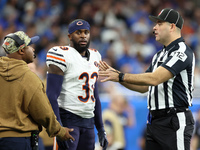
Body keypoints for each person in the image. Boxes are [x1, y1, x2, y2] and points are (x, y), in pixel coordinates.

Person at [99, 8, 195, 150]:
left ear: (172, 26)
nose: (154, 27)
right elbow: (144, 87)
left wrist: (121, 75)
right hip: (154, 121)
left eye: (159, 23)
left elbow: (154, 78)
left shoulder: (182, 51)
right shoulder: (159, 55)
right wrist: (118, 78)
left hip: (174, 120)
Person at [0, 31, 75, 150]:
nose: (33, 50)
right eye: (30, 46)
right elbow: (43, 113)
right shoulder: (29, 78)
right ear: (21, 51)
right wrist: (60, 131)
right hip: (19, 140)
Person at [45, 19, 108, 150]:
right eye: (78, 32)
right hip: (68, 118)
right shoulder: (61, 54)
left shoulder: (96, 56)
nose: (83, 35)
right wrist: (59, 128)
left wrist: (101, 128)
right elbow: (51, 96)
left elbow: (94, 95)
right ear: (69, 36)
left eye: (86, 32)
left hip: (89, 122)